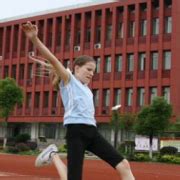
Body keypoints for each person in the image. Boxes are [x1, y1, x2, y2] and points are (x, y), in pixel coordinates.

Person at [22, 21, 135, 180]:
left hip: (92, 132)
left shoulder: (87, 90)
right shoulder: (69, 80)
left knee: (124, 165)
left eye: (93, 71)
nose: (91, 74)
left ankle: (53, 154)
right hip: (76, 132)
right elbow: (53, 60)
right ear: (76, 68)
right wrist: (34, 39)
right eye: (88, 69)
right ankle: (53, 155)